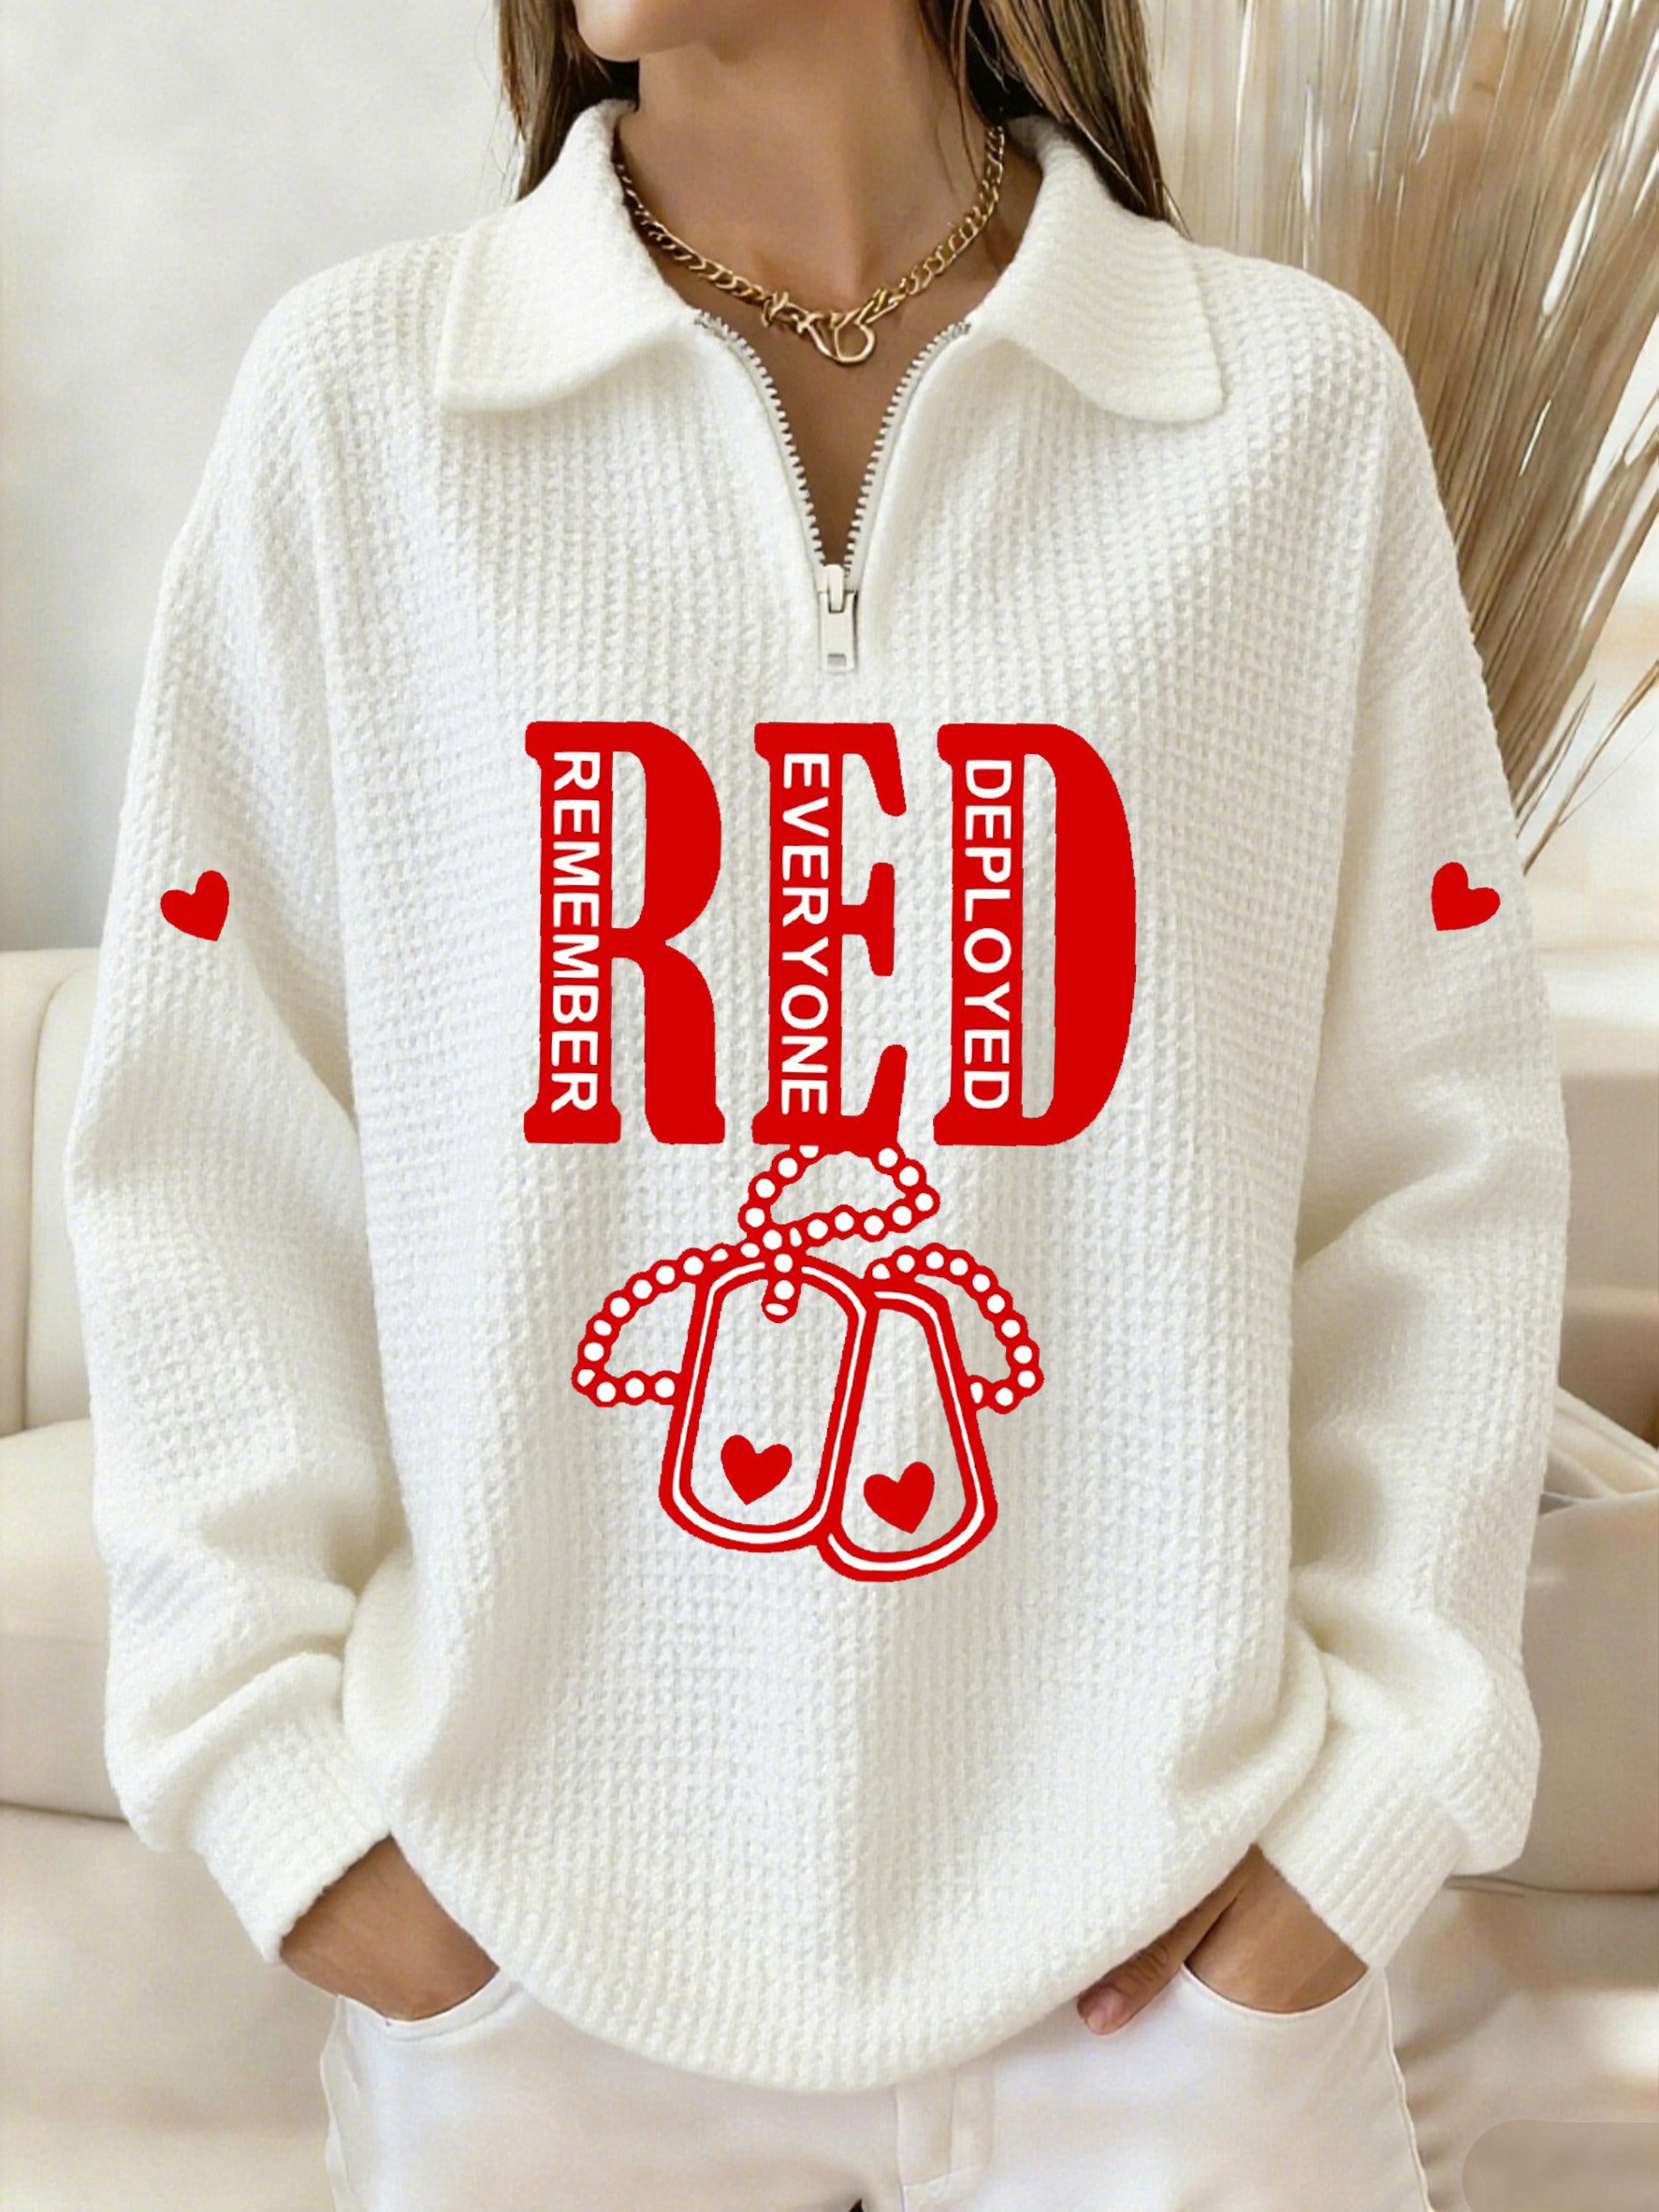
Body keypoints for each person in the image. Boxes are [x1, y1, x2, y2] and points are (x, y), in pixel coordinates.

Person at [61, 2, 1573, 2206]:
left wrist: (1361, 1825)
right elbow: (206, 1157)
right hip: (532, 1999)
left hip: (1171, 2013)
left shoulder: (1274, 413)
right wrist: (305, 1826)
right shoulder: (369, 409)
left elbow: (1432, 1162)